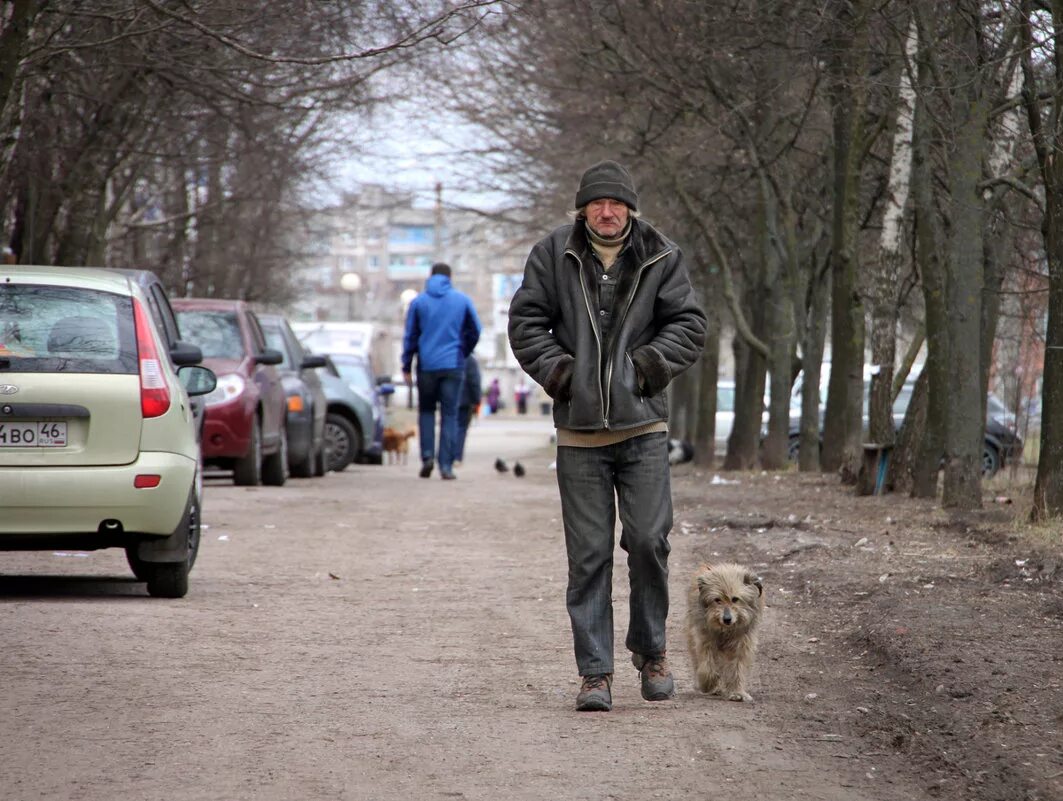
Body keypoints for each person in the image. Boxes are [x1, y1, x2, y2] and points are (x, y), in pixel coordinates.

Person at [508, 160, 706, 712]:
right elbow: (526, 324)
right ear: (582, 209)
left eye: (616, 203)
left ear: (630, 209)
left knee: (648, 542)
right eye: (596, 203)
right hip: (578, 435)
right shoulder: (552, 254)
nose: (607, 211)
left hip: (643, 428)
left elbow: (689, 324)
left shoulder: (662, 254)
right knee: (589, 556)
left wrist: (646, 367)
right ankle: (595, 674)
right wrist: (562, 374)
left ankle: (652, 652)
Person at [401, 263, 482, 480]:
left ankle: (427, 457)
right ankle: (446, 466)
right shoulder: (462, 300)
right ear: (449, 277)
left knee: (426, 412)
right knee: (450, 415)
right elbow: (476, 330)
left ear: (431, 276)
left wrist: (406, 365)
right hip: (453, 365)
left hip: (426, 366)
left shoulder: (418, 302)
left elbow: (410, 336)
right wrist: (463, 351)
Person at [455, 353, 482, 464]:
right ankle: (457, 457)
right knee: (461, 429)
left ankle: (445, 457)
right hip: (465, 401)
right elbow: (474, 381)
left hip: (450, 399)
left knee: (449, 426)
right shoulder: (470, 360)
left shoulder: (452, 356)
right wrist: (476, 400)